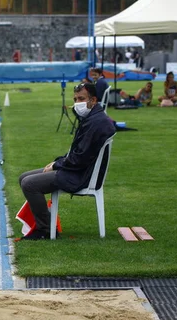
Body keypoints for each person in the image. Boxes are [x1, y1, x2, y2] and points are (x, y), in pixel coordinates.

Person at [18, 82, 115, 240]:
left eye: (81, 99)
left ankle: (45, 230)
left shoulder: (96, 122)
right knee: (24, 177)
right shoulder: (92, 118)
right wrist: (58, 162)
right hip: (75, 170)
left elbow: (80, 158)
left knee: (29, 183)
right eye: (75, 99)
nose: (77, 103)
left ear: (94, 100)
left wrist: (57, 164)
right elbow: (77, 153)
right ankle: (47, 224)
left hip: (79, 176)